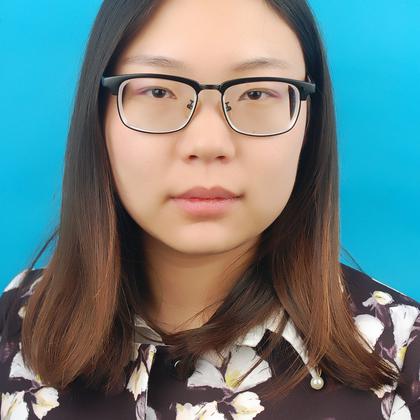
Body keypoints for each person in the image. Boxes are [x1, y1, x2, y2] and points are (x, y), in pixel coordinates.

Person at [0, 0, 419, 418]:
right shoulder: (15, 324)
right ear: (99, 114)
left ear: (310, 119)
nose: (208, 144)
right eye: (159, 90)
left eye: (256, 92)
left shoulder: (403, 355)